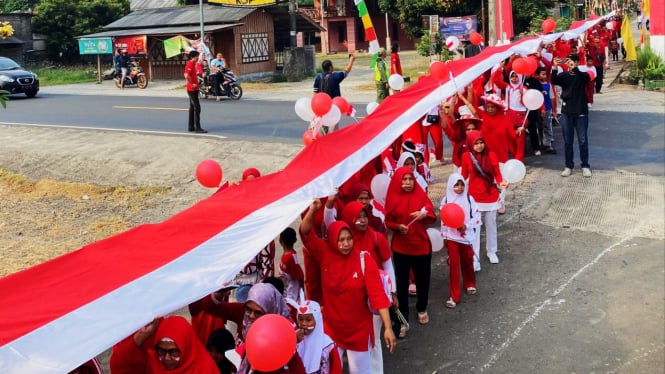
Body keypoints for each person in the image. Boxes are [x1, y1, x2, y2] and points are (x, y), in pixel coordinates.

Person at [300, 200, 396, 374]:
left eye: (349, 238)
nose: (346, 244)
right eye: (341, 240)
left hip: (359, 331)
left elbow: (378, 296)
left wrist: (388, 328)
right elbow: (305, 233)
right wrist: (314, 209)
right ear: (332, 240)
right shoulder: (324, 253)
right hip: (332, 329)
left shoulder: (364, 260)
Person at [384, 166, 436, 336]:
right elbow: (388, 221)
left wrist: (424, 215)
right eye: (404, 180)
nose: (407, 183)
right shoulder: (392, 198)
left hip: (421, 247)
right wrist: (398, 227)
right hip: (401, 248)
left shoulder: (421, 195)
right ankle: (402, 319)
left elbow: (432, 216)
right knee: (401, 284)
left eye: (410, 179)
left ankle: (422, 308)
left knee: (423, 280)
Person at [460, 131, 508, 268]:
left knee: (491, 225)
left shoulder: (491, 155)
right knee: (475, 228)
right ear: (470, 144)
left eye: (481, 142)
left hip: (491, 196)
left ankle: (492, 251)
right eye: (475, 143)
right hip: (474, 197)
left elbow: (497, 174)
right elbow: (463, 175)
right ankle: (475, 257)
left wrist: (501, 182)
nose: (479, 146)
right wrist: (456, 186)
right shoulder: (466, 157)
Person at [110, 316, 220, 373]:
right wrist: (141, 336)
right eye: (161, 351)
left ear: (186, 348)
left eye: (173, 352)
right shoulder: (154, 364)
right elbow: (119, 368)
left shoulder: (206, 369)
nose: (167, 358)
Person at [440, 173, 480, 308]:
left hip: (466, 237)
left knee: (467, 260)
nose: (459, 187)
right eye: (456, 185)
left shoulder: (469, 199)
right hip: (452, 237)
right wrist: (444, 237)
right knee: (454, 265)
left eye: (462, 184)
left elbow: (476, 216)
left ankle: (470, 283)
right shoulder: (445, 201)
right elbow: (444, 220)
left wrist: (466, 226)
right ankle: (454, 296)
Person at [551, 54, 592, 177]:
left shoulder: (582, 75)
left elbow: (586, 78)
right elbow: (554, 80)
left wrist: (575, 69)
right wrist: (554, 67)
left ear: (577, 62)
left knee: (583, 141)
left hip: (581, 113)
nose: (571, 63)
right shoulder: (564, 75)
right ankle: (568, 165)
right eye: (569, 61)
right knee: (568, 141)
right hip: (567, 113)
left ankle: (585, 165)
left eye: (573, 61)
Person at [286, 295, 343, 374]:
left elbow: (336, 369)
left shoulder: (327, 345)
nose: (304, 323)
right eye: (300, 319)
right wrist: (293, 342)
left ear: (317, 320)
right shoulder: (294, 338)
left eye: (308, 320)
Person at [184, 50, 207, 133]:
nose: (198, 58)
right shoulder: (190, 64)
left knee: (192, 108)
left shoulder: (194, 64)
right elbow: (186, 75)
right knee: (197, 108)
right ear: (192, 57)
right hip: (192, 90)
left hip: (194, 89)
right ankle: (197, 128)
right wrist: (192, 84)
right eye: (197, 56)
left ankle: (191, 127)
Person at [279, 227, 304, 300]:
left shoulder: (290, 257)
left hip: (291, 292)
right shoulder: (288, 255)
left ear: (281, 241)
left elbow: (300, 275)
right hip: (287, 289)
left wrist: (302, 293)